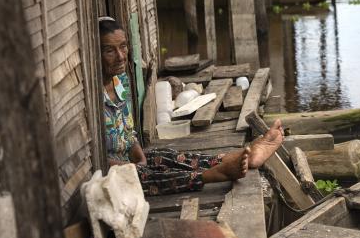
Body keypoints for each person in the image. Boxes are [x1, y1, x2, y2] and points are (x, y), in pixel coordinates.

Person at [100, 17, 283, 196]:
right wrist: (132, 167)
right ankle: (213, 174)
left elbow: (129, 133)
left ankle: (242, 158)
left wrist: (140, 159)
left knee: (168, 157)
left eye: (123, 46)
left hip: (131, 161)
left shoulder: (119, 81)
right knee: (151, 176)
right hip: (111, 175)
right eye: (110, 51)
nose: (121, 56)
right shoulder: (94, 101)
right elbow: (97, 159)